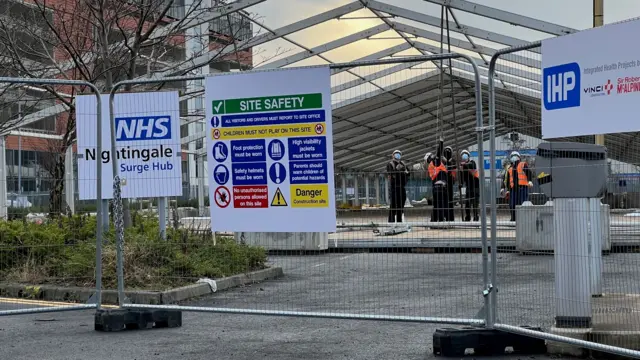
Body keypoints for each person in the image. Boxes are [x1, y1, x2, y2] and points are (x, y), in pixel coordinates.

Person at [501, 151, 534, 221]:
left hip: (522, 188)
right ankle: (513, 219)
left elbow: (529, 173)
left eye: (515, 155)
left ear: (519, 157)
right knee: (512, 204)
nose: (514, 157)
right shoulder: (510, 168)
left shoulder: (522, 164)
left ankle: (524, 219)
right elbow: (505, 179)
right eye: (512, 156)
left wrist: (530, 181)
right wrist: (503, 188)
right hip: (513, 189)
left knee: (523, 204)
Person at [428, 139, 449, 222]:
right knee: (442, 204)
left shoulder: (431, 166)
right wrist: (441, 143)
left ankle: (435, 220)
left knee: (437, 205)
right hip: (441, 187)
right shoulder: (435, 162)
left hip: (436, 188)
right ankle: (441, 220)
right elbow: (438, 153)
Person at [387, 149, 409, 223]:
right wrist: (400, 172)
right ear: (392, 155)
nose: (397, 155)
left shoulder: (403, 164)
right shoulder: (390, 164)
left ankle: (399, 222)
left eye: (399, 154)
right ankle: (391, 222)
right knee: (393, 205)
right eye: (396, 154)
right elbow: (392, 174)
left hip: (402, 187)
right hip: (394, 187)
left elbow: (408, 172)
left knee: (401, 205)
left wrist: (402, 173)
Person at [459, 149, 480, 222]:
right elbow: (462, 177)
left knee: (475, 203)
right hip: (469, 186)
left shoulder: (472, 162)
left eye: (465, 155)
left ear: (468, 156)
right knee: (467, 203)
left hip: (475, 186)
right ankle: (467, 217)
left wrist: (464, 165)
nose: (464, 157)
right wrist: (461, 184)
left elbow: (472, 166)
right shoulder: (463, 166)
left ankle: (476, 217)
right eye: (463, 155)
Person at [443, 146, 457, 221]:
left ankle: (451, 218)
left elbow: (454, 171)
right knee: (445, 201)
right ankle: (445, 216)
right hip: (444, 183)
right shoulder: (442, 161)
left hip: (450, 183)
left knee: (450, 201)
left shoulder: (453, 161)